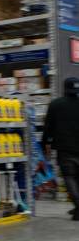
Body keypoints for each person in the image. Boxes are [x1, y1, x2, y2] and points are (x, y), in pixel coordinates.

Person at [43, 77, 79, 220]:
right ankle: (77, 208)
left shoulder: (55, 105)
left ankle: (78, 206)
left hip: (65, 149)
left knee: (69, 177)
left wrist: (45, 143)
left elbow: (48, 128)